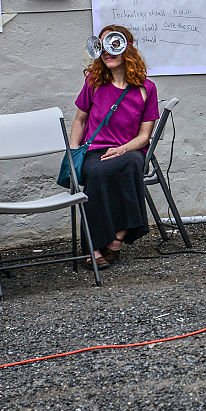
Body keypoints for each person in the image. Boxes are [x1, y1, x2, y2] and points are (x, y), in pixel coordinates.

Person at [70, 24, 159, 267]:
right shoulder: (94, 82)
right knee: (97, 172)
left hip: (128, 149)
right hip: (95, 150)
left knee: (131, 164)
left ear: (126, 48)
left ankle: (117, 238)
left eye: (113, 44)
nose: (107, 52)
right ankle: (96, 247)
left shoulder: (146, 89)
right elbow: (80, 120)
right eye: (101, 46)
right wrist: (74, 153)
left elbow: (144, 136)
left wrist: (122, 149)